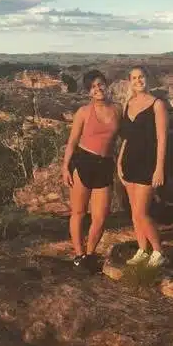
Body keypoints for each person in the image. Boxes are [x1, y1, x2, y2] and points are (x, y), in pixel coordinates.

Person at [61, 69, 119, 268]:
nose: (97, 89)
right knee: (78, 212)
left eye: (100, 84)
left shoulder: (117, 110)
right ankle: (79, 255)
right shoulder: (84, 112)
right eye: (93, 87)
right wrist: (65, 168)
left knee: (100, 217)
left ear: (106, 85)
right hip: (83, 163)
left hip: (105, 165)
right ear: (88, 92)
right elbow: (72, 142)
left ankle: (91, 254)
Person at [117, 65, 168, 268]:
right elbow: (126, 139)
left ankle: (158, 251)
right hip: (129, 162)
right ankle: (142, 249)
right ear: (130, 81)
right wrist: (119, 163)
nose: (138, 81)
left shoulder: (157, 104)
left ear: (147, 78)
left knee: (141, 212)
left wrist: (159, 168)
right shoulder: (128, 104)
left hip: (148, 164)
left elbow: (162, 139)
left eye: (141, 77)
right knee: (134, 212)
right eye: (134, 78)